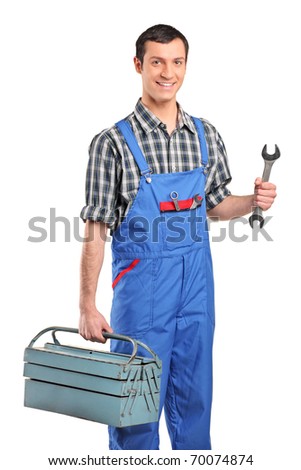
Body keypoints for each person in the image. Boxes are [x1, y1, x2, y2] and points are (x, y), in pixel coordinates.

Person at [79, 24, 277, 450]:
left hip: (196, 296)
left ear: (185, 65)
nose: (168, 72)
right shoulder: (111, 144)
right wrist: (87, 305)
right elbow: (95, 228)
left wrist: (252, 202)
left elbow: (216, 204)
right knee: (134, 414)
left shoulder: (205, 135)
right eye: (157, 61)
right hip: (140, 300)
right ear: (139, 65)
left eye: (177, 62)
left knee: (194, 408)